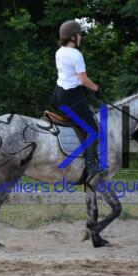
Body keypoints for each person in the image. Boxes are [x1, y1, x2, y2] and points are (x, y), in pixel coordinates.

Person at [52, 20, 107, 184]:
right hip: (71, 98)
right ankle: (91, 166)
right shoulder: (76, 54)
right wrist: (96, 89)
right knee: (94, 130)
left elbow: (72, 77)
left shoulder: (59, 51)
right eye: (79, 34)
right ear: (72, 37)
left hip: (57, 95)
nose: (81, 36)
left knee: (83, 121)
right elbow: (83, 79)